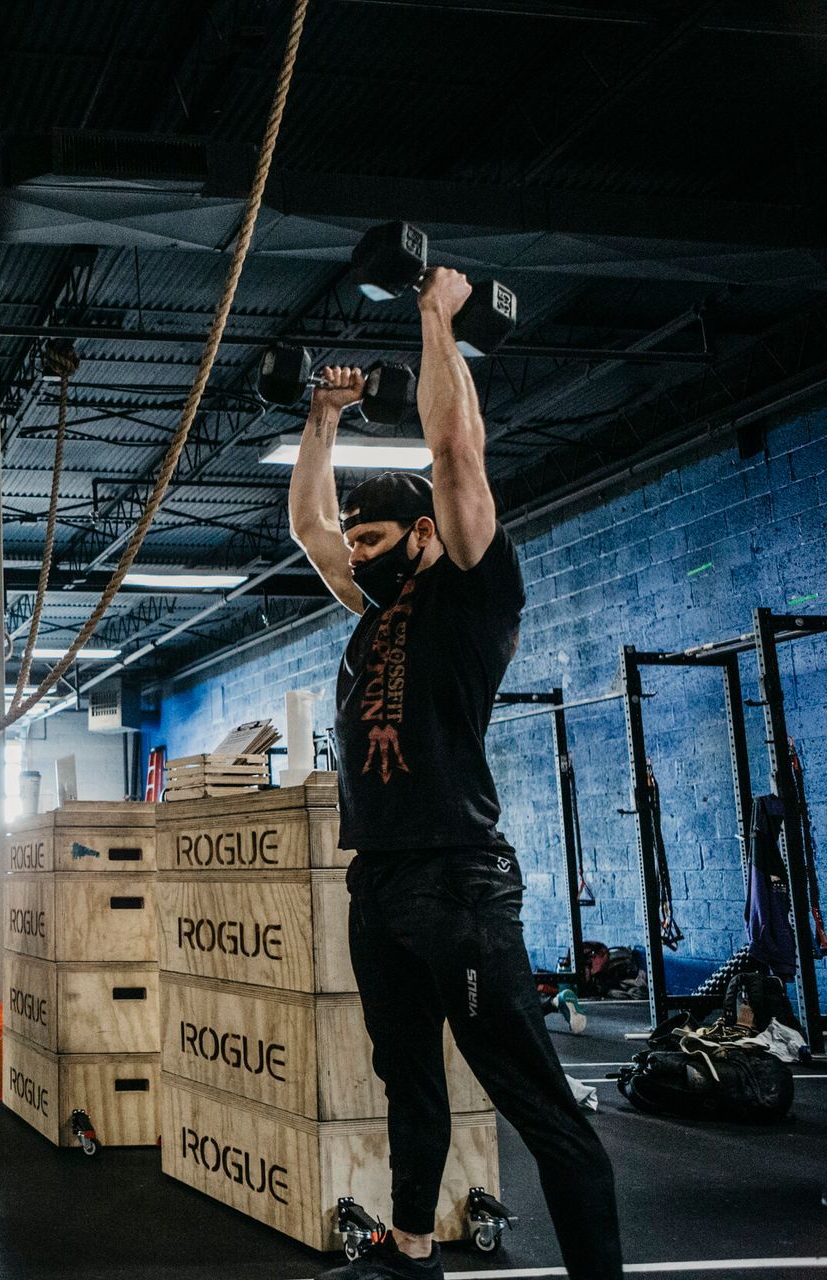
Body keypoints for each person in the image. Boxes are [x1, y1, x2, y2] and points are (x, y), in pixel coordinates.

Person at [289, 268, 622, 1280]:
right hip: (378, 873)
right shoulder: (371, 605)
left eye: (378, 537)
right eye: (359, 542)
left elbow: (455, 450)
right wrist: (323, 415)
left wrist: (435, 317)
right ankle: (411, 1251)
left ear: (425, 535)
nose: (358, 552)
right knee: (406, 1077)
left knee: (535, 1100)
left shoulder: (470, 590)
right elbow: (307, 525)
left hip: (459, 879)